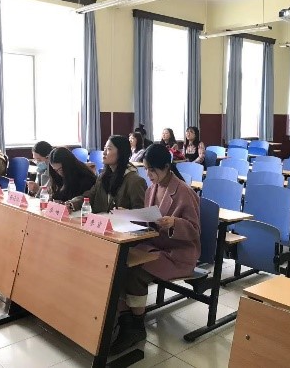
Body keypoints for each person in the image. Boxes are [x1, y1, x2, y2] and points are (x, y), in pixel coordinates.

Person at [109, 143, 200, 354]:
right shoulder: (152, 189)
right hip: (155, 247)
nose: (148, 175)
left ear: (166, 167)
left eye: (152, 170)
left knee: (135, 272)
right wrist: (129, 214)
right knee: (118, 265)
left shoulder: (184, 192)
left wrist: (175, 223)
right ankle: (126, 319)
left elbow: (195, 231)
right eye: (146, 169)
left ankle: (136, 326)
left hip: (178, 254)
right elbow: (149, 219)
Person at [75, 135, 146, 212]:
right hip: (102, 218)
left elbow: (141, 212)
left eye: (109, 149)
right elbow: (90, 195)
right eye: (104, 148)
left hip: (121, 220)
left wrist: (127, 213)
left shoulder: (135, 181)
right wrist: (72, 203)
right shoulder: (103, 176)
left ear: (121, 153)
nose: (104, 153)